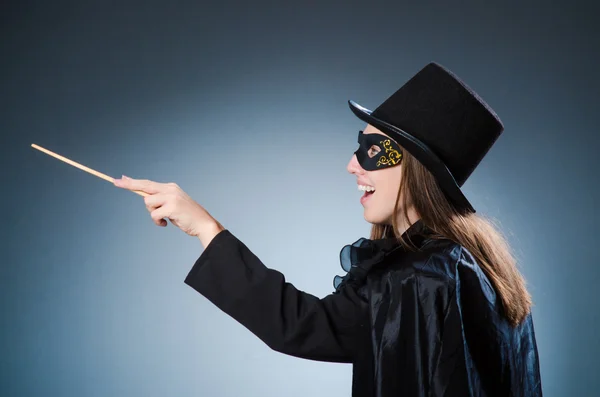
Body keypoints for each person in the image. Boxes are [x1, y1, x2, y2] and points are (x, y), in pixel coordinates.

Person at [113, 62, 543, 396]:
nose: (352, 165)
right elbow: (311, 326)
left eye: (372, 151)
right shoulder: (475, 266)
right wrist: (207, 229)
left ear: (417, 169)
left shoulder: (422, 277)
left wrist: (207, 228)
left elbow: (305, 327)